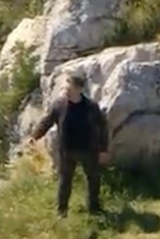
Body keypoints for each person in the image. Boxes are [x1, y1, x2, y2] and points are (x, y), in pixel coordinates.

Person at [28, 73, 110, 217]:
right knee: (65, 181)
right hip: (67, 151)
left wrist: (103, 149)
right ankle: (62, 212)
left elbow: (103, 127)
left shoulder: (91, 107)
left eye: (68, 87)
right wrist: (35, 136)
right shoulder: (59, 105)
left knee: (93, 179)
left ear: (78, 89)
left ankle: (94, 208)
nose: (64, 89)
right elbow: (47, 121)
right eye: (65, 87)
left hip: (88, 150)